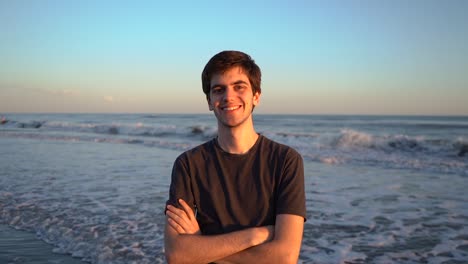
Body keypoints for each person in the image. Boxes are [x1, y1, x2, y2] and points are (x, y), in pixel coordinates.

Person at [164, 50, 306, 264]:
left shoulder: (285, 161)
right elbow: (177, 255)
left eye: (239, 87)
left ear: (256, 96)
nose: (228, 97)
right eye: (218, 90)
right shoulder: (189, 165)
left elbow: (284, 257)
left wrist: (201, 245)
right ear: (210, 101)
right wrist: (256, 235)